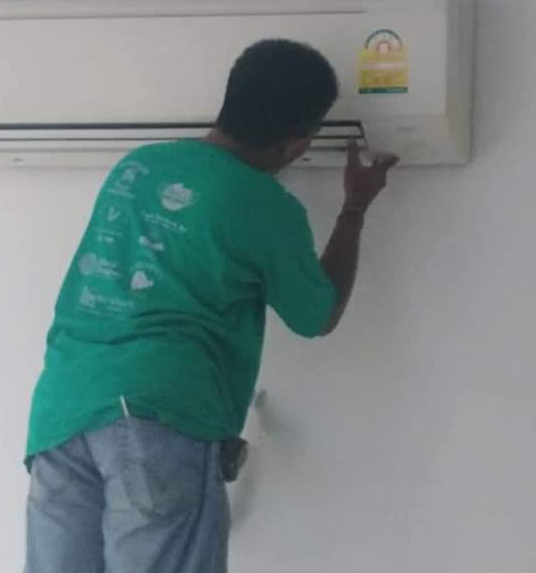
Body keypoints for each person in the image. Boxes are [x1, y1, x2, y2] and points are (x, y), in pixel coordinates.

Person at [23, 38, 399, 573]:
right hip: (160, 412)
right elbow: (318, 314)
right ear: (297, 144)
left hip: (62, 409)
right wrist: (355, 207)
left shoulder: (139, 165)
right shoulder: (264, 205)